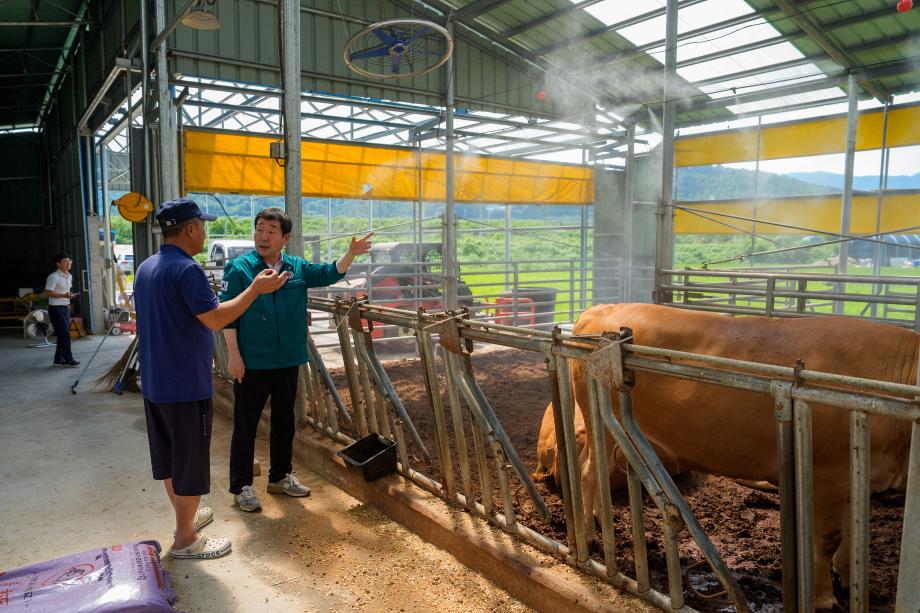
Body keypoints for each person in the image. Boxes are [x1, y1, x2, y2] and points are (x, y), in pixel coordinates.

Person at [134, 197, 286, 560]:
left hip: (155, 381)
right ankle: (186, 539)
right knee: (188, 463)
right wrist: (255, 290)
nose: (204, 231)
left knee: (170, 460)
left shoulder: (147, 267)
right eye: (202, 225)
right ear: (190, 229)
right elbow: (216, 319)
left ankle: (185, 518)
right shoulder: (188, 271)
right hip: (184, 384)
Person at [220, 207, 372, 512]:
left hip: (287, 360)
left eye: (271, 231)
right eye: (259, 229)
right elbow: (229, 315)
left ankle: (280, 476)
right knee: (246, 424)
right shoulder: (239, 269)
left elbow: (330, 273)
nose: (263, 236)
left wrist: (351, 253)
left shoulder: (297, 268)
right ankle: (241, 486)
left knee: (285, 421)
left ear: (284, 238)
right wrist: (233, 356)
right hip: (252, 361)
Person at [44, 252, 79, 367]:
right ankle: (69, 359)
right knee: (65, 334)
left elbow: (66, 292)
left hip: (65, 308)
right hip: (55, 309)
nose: (68, 263)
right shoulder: (53, 277)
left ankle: (58, 359)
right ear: (58, 264)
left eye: (69, 261)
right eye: (65, 261)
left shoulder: (69, 276)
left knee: (62, 335)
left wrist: (68, 298)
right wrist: (64, 296)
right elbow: (48, 292)